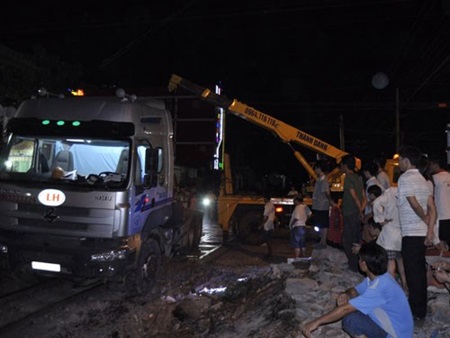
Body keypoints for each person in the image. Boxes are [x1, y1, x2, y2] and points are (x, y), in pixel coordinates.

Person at [302, 242, 413, 338]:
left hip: (395, 335)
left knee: (350, 320)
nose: (358, 261)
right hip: (396, 329)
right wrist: (345, 294)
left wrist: (316, 322)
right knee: (356, 309)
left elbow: (346, 309)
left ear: (364, 264)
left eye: (360, 259)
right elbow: (355, 290)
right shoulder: (379, 278)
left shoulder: (380, 287)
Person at [397, 145, 436, 320]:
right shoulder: (422, 179)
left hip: (411, 233)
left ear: (406, 161)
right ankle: (421, 309)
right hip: (421, 234)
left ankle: (415, 312)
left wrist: (425, 218)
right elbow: (432, 207)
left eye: (400, 160)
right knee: (419, 271)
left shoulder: (404, 178)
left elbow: (414, 203)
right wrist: (429, 232)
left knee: (413, 274)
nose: (398, 163)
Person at [372, 186, 408, 293]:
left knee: (390, 262)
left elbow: (376, 202)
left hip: (391, 231)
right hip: (403, 231)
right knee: (400, 261)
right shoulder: (409, 191)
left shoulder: (392, 191)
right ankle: (405, 285)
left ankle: (391, 290)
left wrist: (380, 219)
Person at [340, 155, 366, 272]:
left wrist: (359, 210)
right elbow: (364, 197)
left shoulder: (348, 178)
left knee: (347, 240)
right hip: (357, 212)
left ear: (345, 165)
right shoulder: (358, 178)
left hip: (350, 212)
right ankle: (358, 265)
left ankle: (354, 265)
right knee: (356, 239)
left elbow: (354, 196)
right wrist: (361, 210)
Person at [311, 161, 334, 249]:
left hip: (322, 206)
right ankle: (321, 241)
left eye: (316, 168)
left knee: (323, 225)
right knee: (320, 225)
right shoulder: (319, 180)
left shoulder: (324, 180)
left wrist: (331, 202)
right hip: (318, 205)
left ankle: (323, 242)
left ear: (319, 168)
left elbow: (326, 192)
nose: (315, 170)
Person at [429, 157, 450, 248]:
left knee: (441, 243)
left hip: (440, 215)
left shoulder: (434, 178)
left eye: (431, 165)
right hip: (448, 214)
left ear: (436, 165)